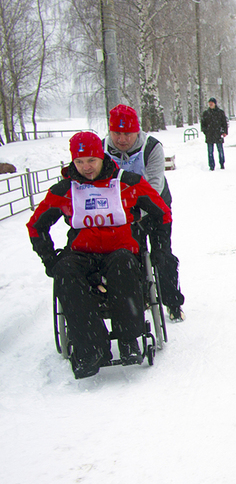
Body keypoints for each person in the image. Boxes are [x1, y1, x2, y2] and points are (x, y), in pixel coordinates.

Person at [27, 132, 172, 379]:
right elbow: (36, 226)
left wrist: (158, 247)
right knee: (66, 272)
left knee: (124, 265)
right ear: (73, 162)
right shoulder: (65, 190)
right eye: (80, 161)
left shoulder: (126, 181)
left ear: (101, 158)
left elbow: (162, 211)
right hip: (82, 253)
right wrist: (50, 260)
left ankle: (129, 339)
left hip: (120, 249)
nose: (86, 167)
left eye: (91, 160)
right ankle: (91, 348)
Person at [104, 104, 185, 321]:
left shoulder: (151, 147)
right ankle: (142, 298)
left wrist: (139, 212)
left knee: (161, 256)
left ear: (136, 131)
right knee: (134, 256)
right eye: (117, 133)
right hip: (124, 213)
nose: (121, 139)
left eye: (127, 134)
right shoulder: (103, 150)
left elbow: (155, 186)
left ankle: (172, 302)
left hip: (156, 207)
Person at [201, 97, 228, 171]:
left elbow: (224, 123)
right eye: (209, 103)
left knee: (220, 150)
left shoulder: (220, 112)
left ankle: (222, 163)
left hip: (218, 134)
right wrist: (205, 131)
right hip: (209, 135)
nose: (210, 104)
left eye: (212, 103)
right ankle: (211, 165)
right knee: (210, 152)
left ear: (215, 103)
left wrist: (224, 131)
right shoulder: (206, 113)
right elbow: (203, 124)